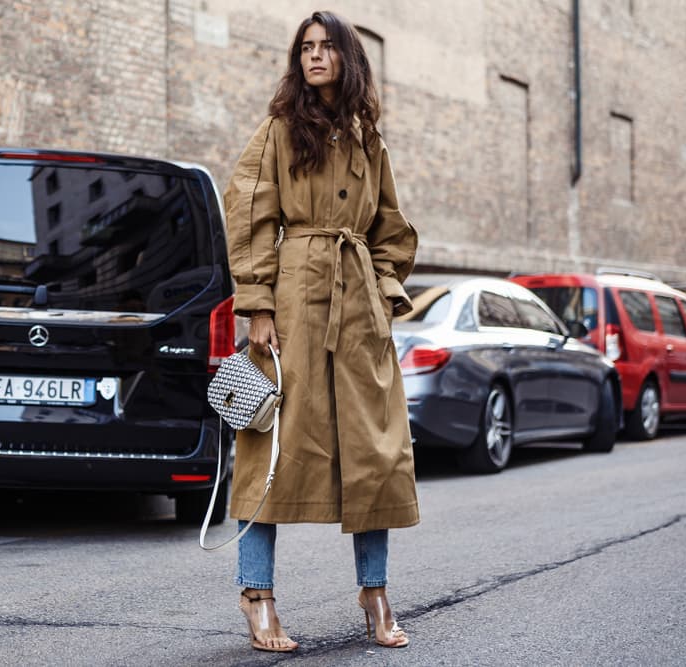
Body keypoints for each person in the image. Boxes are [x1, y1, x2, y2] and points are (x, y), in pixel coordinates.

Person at [223, 9, 420, 653]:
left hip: (358, 306)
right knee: (271, 446)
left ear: (347, 58)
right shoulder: (279, 130)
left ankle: (375, 592)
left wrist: (383, 291)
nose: (313, 55)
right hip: (293, 302)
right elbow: (251, 212)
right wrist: (258, 304)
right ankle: (257, 596)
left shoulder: (369, 140)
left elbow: (389, 227)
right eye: (305, 47)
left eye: (325, 46)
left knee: (374, 451)